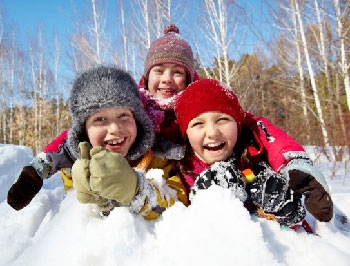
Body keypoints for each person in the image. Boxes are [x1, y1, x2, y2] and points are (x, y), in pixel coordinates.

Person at [7, 24, 332, 225]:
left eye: (178, 72)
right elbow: (75, 135)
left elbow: (254, 127)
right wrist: (42, 165)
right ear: (146, 76)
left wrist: (295, 165)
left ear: (189, 77)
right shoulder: (129, 109)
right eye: (159, 70)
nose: (167, 79)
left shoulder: (202, 108)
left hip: (180, 181)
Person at [174, 79, 334, 227]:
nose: (212, 133)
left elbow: (277, 145)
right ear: (186, 134)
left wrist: (285, 209)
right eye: (198, 123)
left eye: (222, 120)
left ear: (238, 125)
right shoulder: (179, 171)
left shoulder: (254, 157)